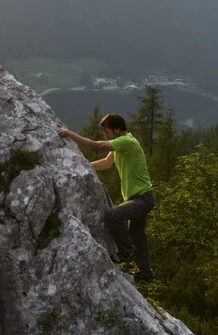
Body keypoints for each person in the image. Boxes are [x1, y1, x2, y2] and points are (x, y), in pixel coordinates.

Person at [57, 113, 155, 281]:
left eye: (107, 131)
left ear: (117, 130)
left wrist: (69, 133)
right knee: (138, 236)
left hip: (142, 198)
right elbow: (106, 163)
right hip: (141, 197)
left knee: (113, 215)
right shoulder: (122, 144)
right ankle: (146, 274)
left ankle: (127, 252)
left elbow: (96, 146)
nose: (106, 135)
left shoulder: (127, 142)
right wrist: (84, 166)